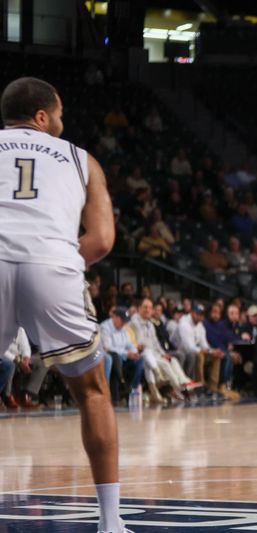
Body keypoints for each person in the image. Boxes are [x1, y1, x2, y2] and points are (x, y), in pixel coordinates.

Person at [0, 77, 128, 532]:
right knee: (92, 390)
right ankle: (110, 524)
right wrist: (53, 264)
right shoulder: (81, 158)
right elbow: (103, 239)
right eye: (59, 115)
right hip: (53, 263)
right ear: (41, 116)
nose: (61, 122)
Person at [101, 307, 145, 405]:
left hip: (124, 356)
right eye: (122, 320)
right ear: (115, 317)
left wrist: (134, 352)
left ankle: (130, 390)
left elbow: (129, 344)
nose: (124, 323)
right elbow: (107, 348)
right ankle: (117, 394)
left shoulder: (123, 328)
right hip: (112, 358)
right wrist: (126, 354)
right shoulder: (105, 327)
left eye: (125, 321)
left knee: (140, 360)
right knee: (117, 358)